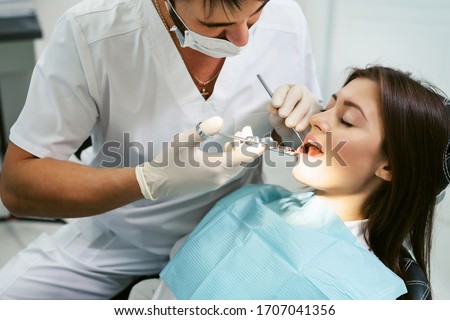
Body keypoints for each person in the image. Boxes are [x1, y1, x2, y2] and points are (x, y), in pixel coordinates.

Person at [0, 0, 322, 299]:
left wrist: (298, 127)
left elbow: (308, 146)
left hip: (231, 234)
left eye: (255, 12)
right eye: (216, 25)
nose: (243, 39)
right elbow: (17, 184)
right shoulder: (92, 32)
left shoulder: (286, 20)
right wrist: (148, 180)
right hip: (118, 236)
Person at [129, 65, 450, 300]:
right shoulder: (252, 200)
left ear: (390, 165)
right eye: (327, 106)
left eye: (346, 120)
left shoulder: (370, 292)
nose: (316, 118)